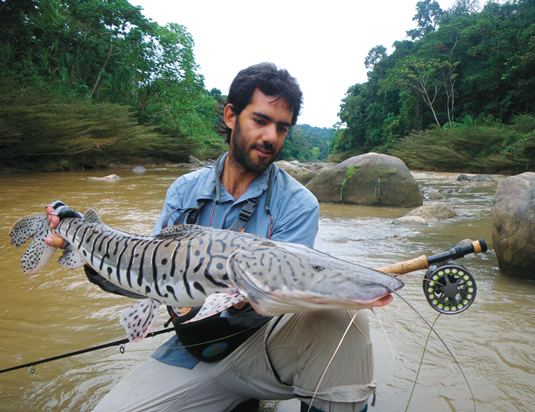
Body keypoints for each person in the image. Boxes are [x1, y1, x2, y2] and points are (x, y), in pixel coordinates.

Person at [46, 62, 374, 412]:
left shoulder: (298, 204)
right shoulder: (183, 190)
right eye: (260, 121)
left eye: (282, 128)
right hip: (193, 348)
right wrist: (83, 248)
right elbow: (143, 277)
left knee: (347, 319)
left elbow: (285, 297)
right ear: (231, 115)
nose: (271, 138)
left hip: (260, 346)